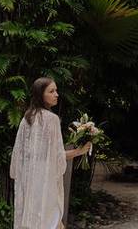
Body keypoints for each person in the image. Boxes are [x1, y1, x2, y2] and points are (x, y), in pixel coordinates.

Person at [10, 77, 91, 229]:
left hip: (28, 180)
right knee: (50, 220)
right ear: (41, 95)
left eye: (56, 90)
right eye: (52, 91)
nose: (57, 94)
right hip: (45, 179)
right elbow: (58, 157)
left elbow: (19, 155)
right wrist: (80, 151)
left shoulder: (26, 118)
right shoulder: (52, 119)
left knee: (33, 220)